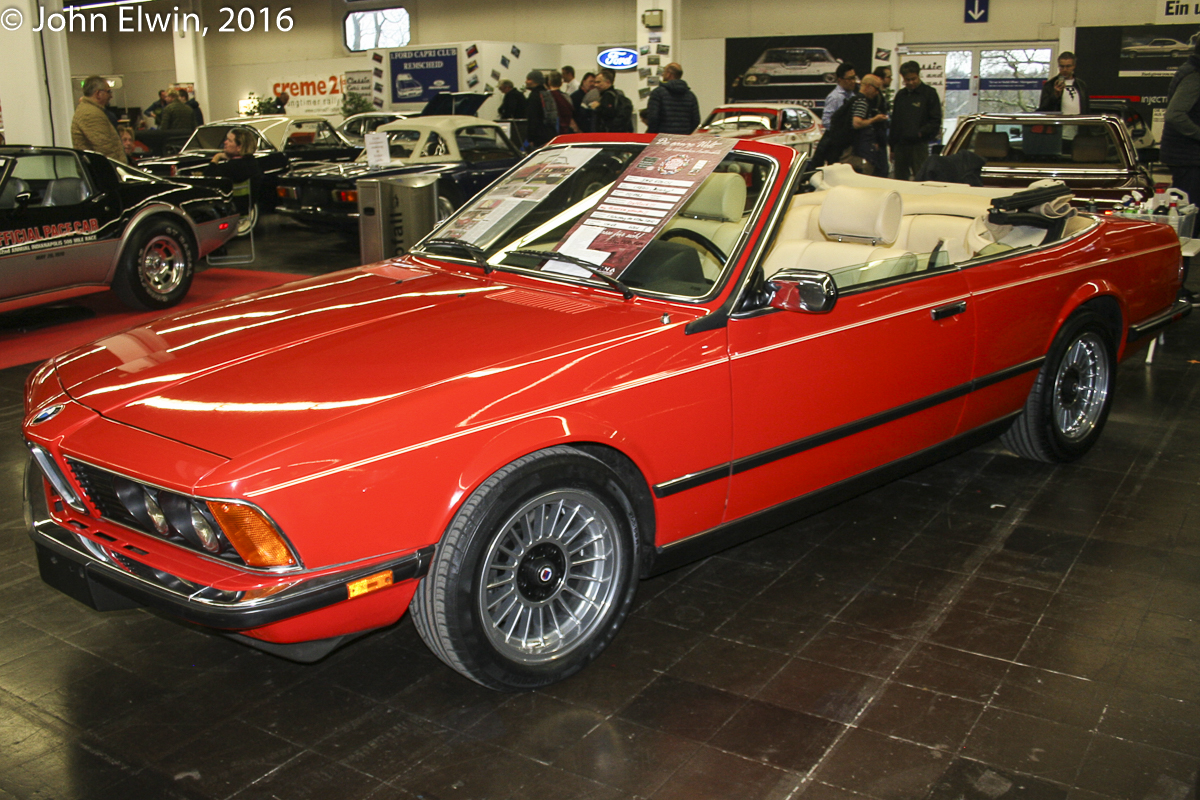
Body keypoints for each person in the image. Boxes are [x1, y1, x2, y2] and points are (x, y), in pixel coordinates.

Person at [1162, 34, 1200, 206]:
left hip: (1186, 156)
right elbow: (1174, 114)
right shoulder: (1195, 75)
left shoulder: (1191, 69)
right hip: (1188, 158)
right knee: (1190, 212)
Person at [889, 60, 942, 180]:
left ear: (919, 76)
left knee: (921, 177)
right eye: (907, 80)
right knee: (900, 178)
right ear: (903, 79)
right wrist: (892, 147)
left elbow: (935, 120)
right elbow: (895, 122)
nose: (911, 82)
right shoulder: (901, 96)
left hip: (919, 145)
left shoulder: (929, 93)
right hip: (900, 145)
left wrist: (921, 132)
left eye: (914, 79)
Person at [204, 127, 263, 216]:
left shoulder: (231, 167)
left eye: (229, 141)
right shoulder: (253, 163)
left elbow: (206, 180)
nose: (225, 142)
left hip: (229, 213)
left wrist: (217, 157)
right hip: (247, 211)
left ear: (239, 147)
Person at [71, 76, 127, 163]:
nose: (111, 96)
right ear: (98, 94)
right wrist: (118, 168)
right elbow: (105, 148)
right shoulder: (91, 114)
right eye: (108, 92)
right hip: (100, 170)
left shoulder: (90, 110)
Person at [645, 62, 701, 134]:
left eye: (664, 72)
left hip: (662, 139)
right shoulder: (691, 96)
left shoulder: (658, 93)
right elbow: (696, 121)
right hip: (682, 139)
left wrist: (653, 133)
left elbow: (653, 118)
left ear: (669, 74)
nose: (662, 74)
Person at [851, 74, 889, 176]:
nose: (877, 93)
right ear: (868, 86)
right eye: (876, 89)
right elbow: (857, 123)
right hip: (861, 149)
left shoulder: (855, 99)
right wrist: (874, 120)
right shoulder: (862, 102)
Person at [524, 70, 558, 149]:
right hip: (550, 134)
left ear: (536, 81)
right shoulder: (547, 94)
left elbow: (533, 118)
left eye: (529, 79)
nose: (526, 82)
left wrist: (530, 138)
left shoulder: (534, 96)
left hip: (538, 137)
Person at [822, 63, 858, 128]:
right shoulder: (834, 97)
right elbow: (826, 121)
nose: (853, 81)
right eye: (850, 79)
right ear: (840, 79)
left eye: (854, 78)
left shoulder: (853, 95)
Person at [548, 70, 578, 135]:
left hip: (549, 130)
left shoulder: (546, 97)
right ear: (561, 83)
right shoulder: (566, 97)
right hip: (565, 129)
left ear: (549, 82)